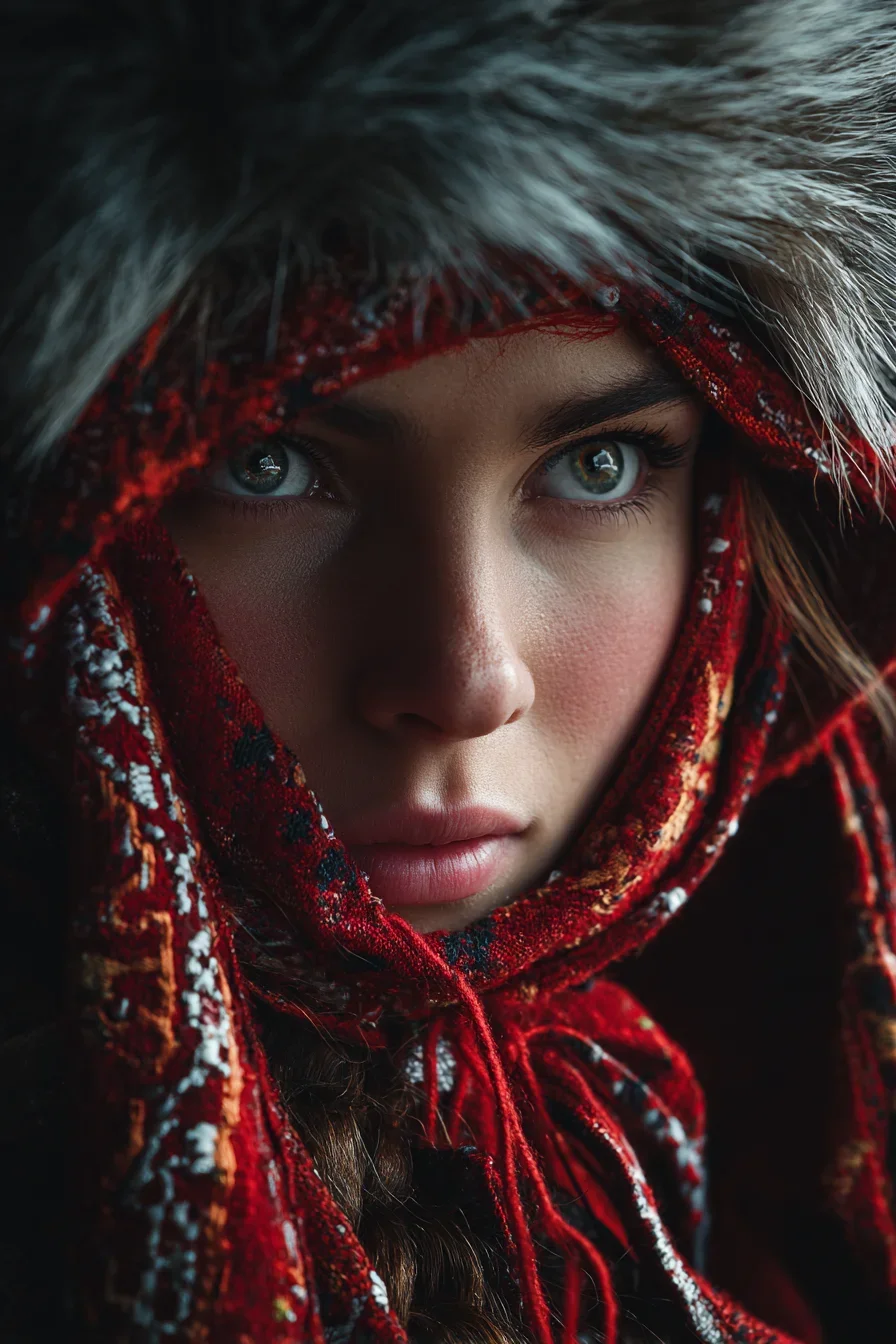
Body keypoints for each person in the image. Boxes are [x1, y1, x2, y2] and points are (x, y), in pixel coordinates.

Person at [2, 4, 896, 1342]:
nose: (463, 679)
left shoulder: (741, 1143)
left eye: (599, 466)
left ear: (731, 507)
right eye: (269, 465)